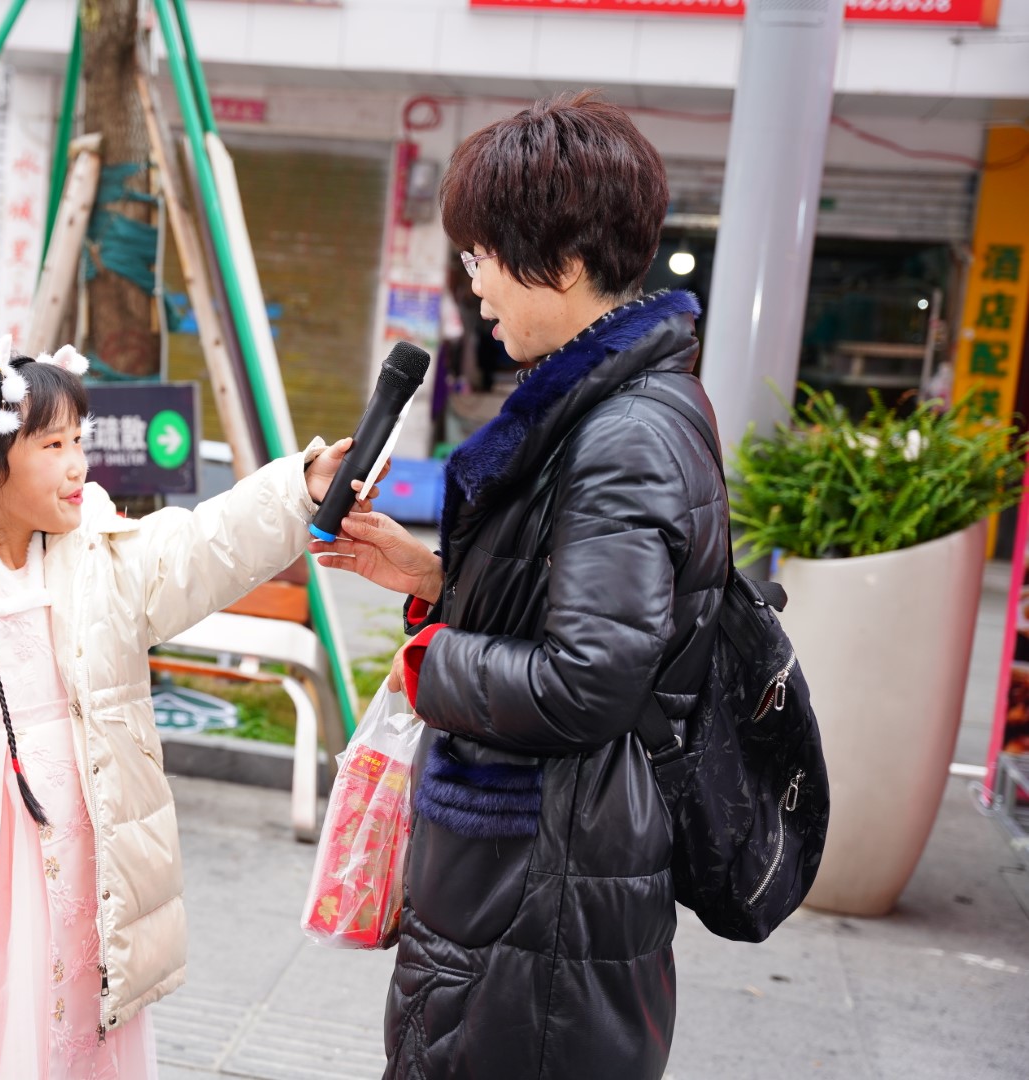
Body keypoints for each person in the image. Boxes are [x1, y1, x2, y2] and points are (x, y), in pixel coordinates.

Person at [0, 326, 375, 1079]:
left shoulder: (101, 555)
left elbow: (203, 547)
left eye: (79, 440)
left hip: (78, 859)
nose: (78, 465)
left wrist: (297, 488)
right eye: (52, 446)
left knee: (63, 1033)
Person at [309, 91, 728, 1079]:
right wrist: (437, 579)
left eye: (485, 254)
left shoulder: (623, 435)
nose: (474, 283)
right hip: (537, 883)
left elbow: (588, 680)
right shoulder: (619, 409)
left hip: (541, 909)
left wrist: (434, 659)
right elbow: (582, 611)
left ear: (566, 262)